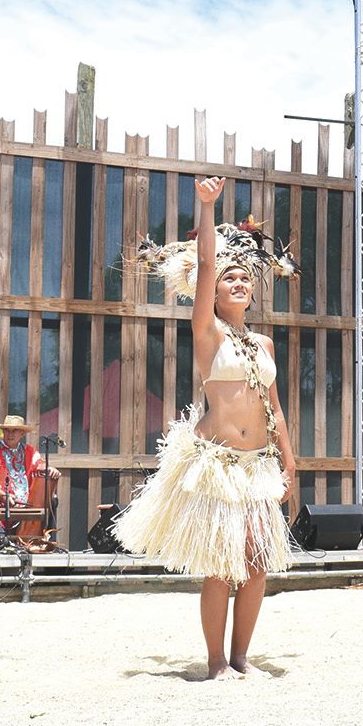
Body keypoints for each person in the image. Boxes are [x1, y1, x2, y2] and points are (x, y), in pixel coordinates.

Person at [117, 177, 298, 680]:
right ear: (215, 289)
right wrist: (208, 208)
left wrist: (290, 463)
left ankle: (242, 657)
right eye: (228, 278)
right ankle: (216, 662)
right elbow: (204, 270)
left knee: (258, 566)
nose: (238, 283)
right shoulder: (207, 331)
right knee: (221, 566)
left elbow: (276, 409)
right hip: (218, 463)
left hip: (259, 466)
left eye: (245, 278)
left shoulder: (262, 344)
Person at [0, 415, 61, 546]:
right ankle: (2, 541)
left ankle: (47, 541)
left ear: (22, 433)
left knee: (52, 499)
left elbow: (40, 467)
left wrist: (50, 469)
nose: (10, 434)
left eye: (15, 430)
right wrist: (3, 496)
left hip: (27, 505)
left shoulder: (30, 452)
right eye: (7, 430)